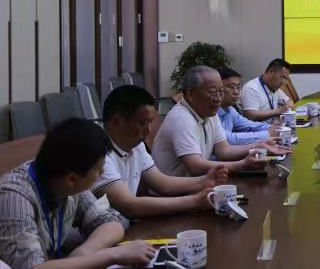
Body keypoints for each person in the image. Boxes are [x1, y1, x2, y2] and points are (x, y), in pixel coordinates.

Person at [0, 119, 156, 269]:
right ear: (72, 179)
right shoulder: (14, 197)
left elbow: (111, 223)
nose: (102, 173)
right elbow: (32, 267)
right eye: (98, 170)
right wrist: (113, 255)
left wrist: (82, 254)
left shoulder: (65, 179)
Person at [94, 85, 229, 219]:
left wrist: (203, 181)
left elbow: (162, 183)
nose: (148, 130)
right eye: (143, 123)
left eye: (150, 123)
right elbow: (129, 206)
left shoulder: (137, 146)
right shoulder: (97, 154)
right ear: (116, 121)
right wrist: (195, 201)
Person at [152, 66, 291, 177]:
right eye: (213, 92)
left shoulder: (208, 112)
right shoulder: (182, 119)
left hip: (198, 183)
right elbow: (195, 166)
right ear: (190, 94)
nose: (218, 98)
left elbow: (224, 150)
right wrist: (241, 164)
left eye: (220, 92)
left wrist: (259, 145)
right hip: (175, 193)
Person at [217, 66, 279, 144]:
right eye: (231, 87)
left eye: (238, 87)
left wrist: (272, 127)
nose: (236, 92)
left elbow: (249, 125)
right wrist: (267, 133)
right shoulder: (211, 113)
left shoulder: (230, 110)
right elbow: (229, 139)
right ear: (218, 88)